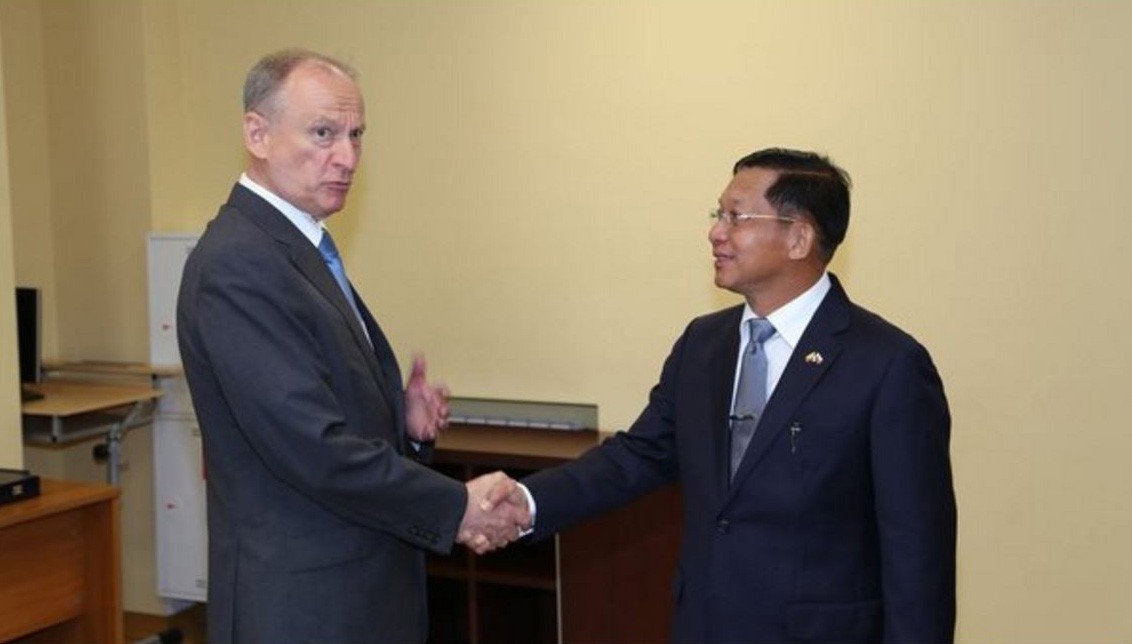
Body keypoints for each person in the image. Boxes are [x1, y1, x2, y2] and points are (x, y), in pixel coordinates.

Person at [497, 148, 957, 643]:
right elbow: (639, 455)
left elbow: (918, 556)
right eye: (718, 214)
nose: (716, 232)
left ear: (799, 238)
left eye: (737, 217)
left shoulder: (888, 365)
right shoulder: (703, 343)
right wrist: (526, 501)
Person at [177, 49, 528, 644]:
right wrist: (457, 507)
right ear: (256, 134)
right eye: (323, 133)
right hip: (303, 609)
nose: (346, 157)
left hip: (353, 594)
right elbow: (311, 447)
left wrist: (402, 424)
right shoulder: (239, 263)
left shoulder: (296, 249)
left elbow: (324, 414)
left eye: (356, 135)